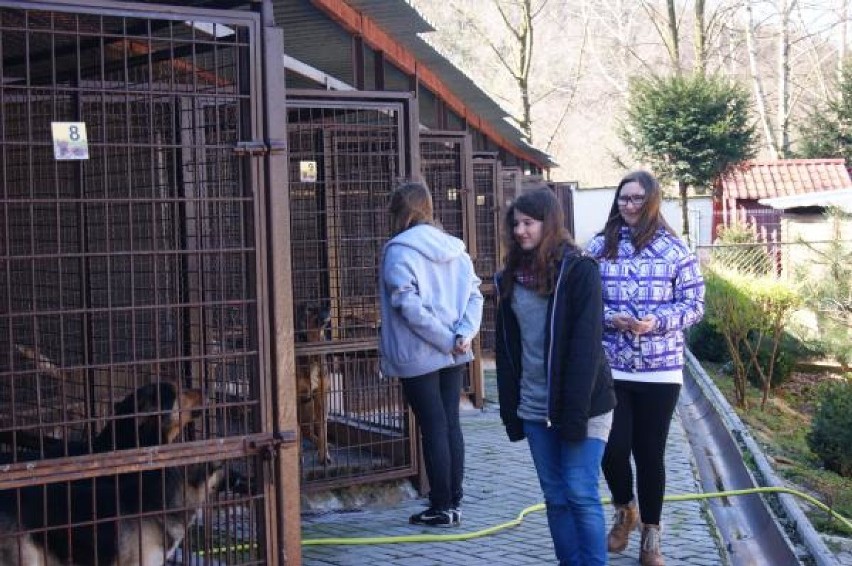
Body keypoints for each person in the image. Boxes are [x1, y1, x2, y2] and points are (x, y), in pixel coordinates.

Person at [586, 170, 705, 566]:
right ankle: (625, 510)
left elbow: (694, 305)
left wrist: (658, 322)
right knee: (611, 449)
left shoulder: (676, 251)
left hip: (660, 370)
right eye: (624, 198)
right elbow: (584, 303)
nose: (629, 205)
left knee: (649, 454)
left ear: (652, 202)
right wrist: (612, 319)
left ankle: (651, 537)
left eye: (637, 199)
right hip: (612, 367)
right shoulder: (600, 248)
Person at [495, 187, 616, 566]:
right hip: (534, 406)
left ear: (549, 224)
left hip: (583, 405)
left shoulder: (580, 271)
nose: (519, 231)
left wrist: (574, 418)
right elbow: (506, 351)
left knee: (580, 492)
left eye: (528, 223)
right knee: (556, 498)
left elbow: (585, 349)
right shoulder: (509, 279)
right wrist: (510, 409)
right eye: (515, 224)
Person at [379, 181, 484, 528]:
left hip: (419, 354)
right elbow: (475, 295)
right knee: (450, 423)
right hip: (455, 351)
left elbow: (408, 304)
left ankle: (440, 505)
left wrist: (445, 339)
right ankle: (453, 500)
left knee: (433, 426)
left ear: (399, 212)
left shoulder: (398, 250)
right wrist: (462, 335)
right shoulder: (456, 249)